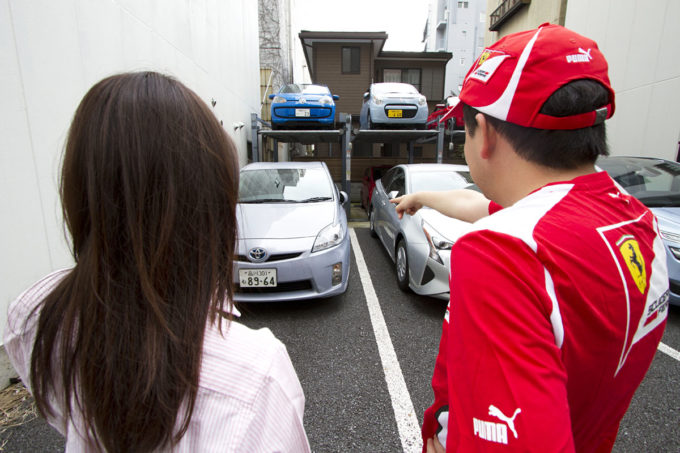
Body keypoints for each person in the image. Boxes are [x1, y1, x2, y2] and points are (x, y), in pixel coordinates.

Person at [393, 24, 669, 452]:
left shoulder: (502, 252)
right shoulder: (636, 221)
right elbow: (481, 207)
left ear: (483, 132)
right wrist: (421, 197)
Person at [3, 72, 311, 452]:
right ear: (208, 207)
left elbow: (61, 411)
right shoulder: (257, 377)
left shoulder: (36, 318)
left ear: (80, 191)